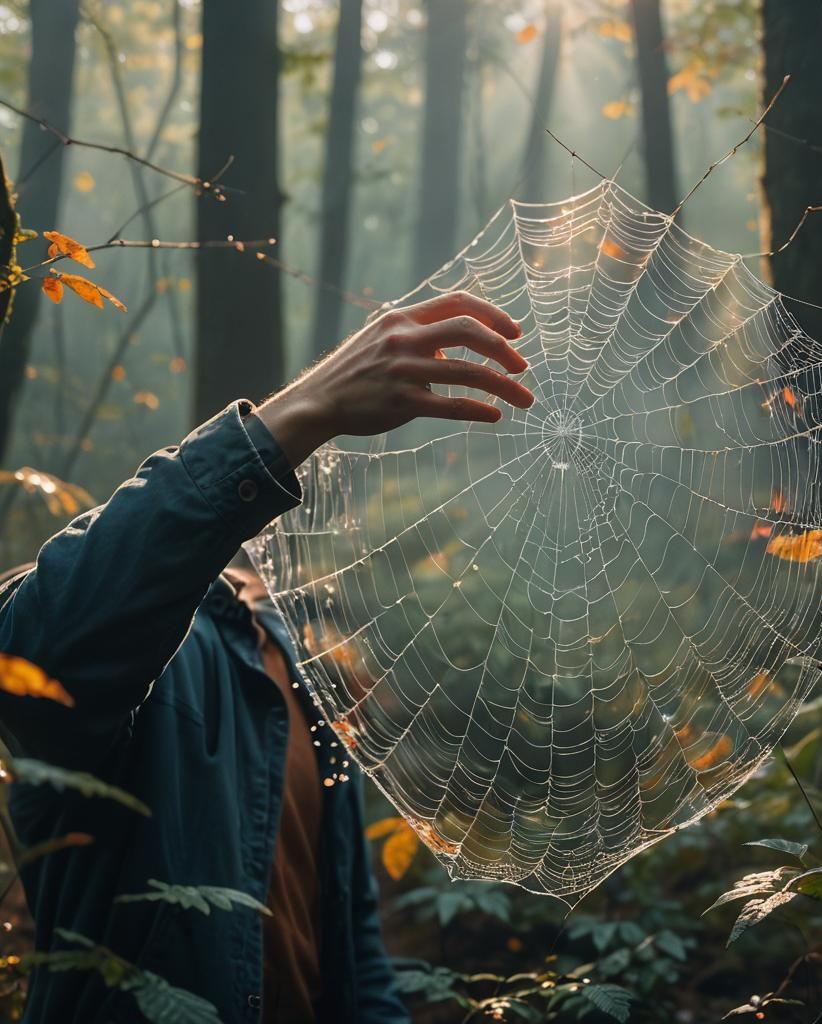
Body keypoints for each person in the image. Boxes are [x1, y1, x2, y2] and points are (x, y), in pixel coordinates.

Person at [0, 292, 534, 1024]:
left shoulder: (302, 672)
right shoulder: (119, 640)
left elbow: (350, 947)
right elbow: (42, 666)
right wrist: (301, 412)